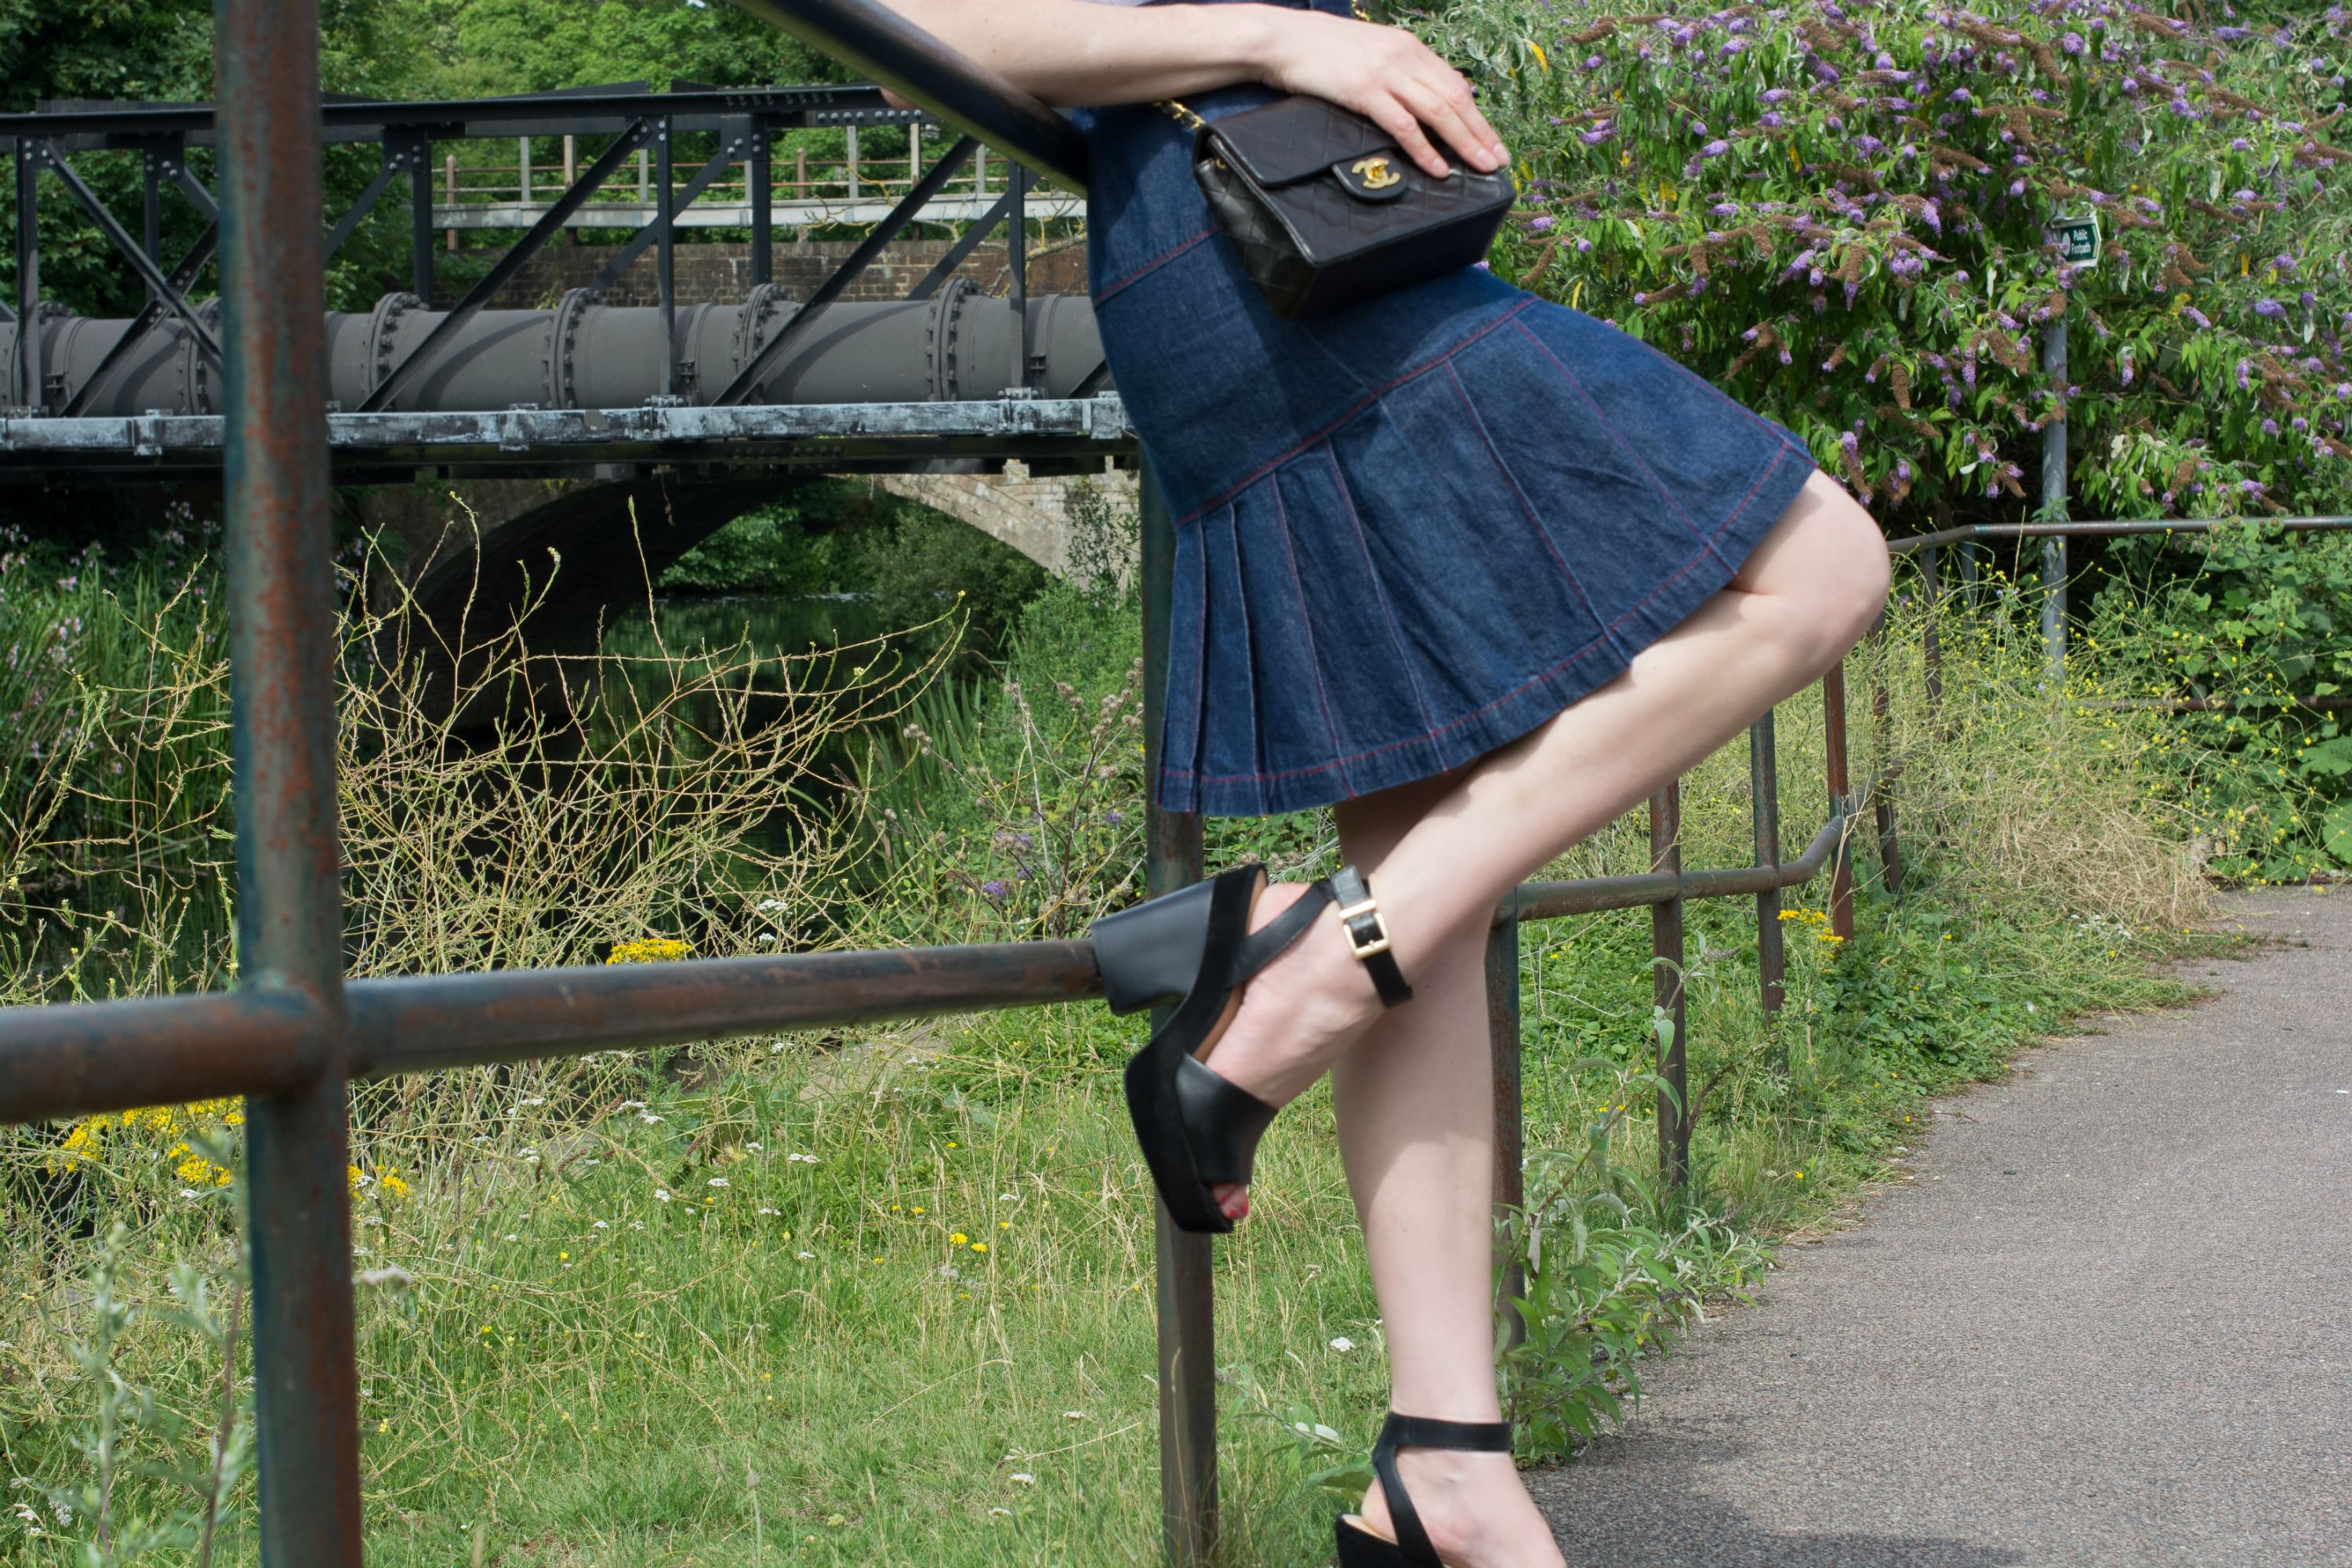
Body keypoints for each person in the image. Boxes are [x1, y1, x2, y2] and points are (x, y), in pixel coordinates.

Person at [882, 3, 1891, 1563]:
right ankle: (1296, 983)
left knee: (1429, 869)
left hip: (1295, 231)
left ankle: (1448, 1457)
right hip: (1259, 248)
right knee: (1820, 563)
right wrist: (1294, 39)